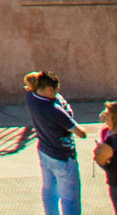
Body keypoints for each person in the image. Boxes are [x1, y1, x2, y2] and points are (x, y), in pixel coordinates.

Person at [25, 71, 88, 215]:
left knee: (49, 191)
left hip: (44, 151)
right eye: (56, 91)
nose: (57, 94)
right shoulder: (55, 110)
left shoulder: (30, 97)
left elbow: (28, 85)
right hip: (63, 157)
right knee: (70, 198)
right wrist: (66, 109)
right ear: (49, 89)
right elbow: (81, 133)